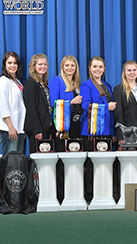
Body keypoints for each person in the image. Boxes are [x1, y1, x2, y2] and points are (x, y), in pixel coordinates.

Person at [80, 56, 116, 202]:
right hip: (91, 130)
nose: (97, 69)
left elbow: (112, 113)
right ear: (89, 68)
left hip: (106, 130)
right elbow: (85, 105)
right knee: (90, 164)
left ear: (104, 69)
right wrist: (107, 106)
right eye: (95, 66)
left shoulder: (107, 85)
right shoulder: (86, 85)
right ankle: (90, 195)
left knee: (106, 163)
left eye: (100, 67)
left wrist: (112, 131)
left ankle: (105, 193)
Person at [49, 55, 83, 204]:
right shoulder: (56, 80)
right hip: (62, 126)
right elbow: (53, 101)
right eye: (67, 65)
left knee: (74, 159)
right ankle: (61, 195)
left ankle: (74, 193)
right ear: (62, 67)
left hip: (76, 126)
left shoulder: (77, 84)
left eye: (73, 66)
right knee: (62, 159)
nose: (70, 68)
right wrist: (71, 101)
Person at [0, 52, 26, 156]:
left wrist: (22, 128)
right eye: (9, 63)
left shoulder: (18, 82)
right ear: (5, 65)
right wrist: (10, 127)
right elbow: (3, 105)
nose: (12, 66)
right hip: (8, 127)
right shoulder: (3, 81)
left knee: (17, 160)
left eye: (15, 63)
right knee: (10, 161)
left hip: (18, 128)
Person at [113, 60, 137, 147]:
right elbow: (118, 113)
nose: (132, 72)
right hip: (127, 132)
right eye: (129, 70)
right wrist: (120, 136)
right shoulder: (119, 89)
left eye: (134, 70)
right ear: (124, 73)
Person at [24, 54, 53, 154]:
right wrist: (37, 130)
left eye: (45, 64)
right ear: (34, 66)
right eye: (40, 64)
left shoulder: (43, 82)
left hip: (45, 126)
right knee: (37, 159)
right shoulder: (31, 83)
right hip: (36, 129)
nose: (43, 66)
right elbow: (31, 108)